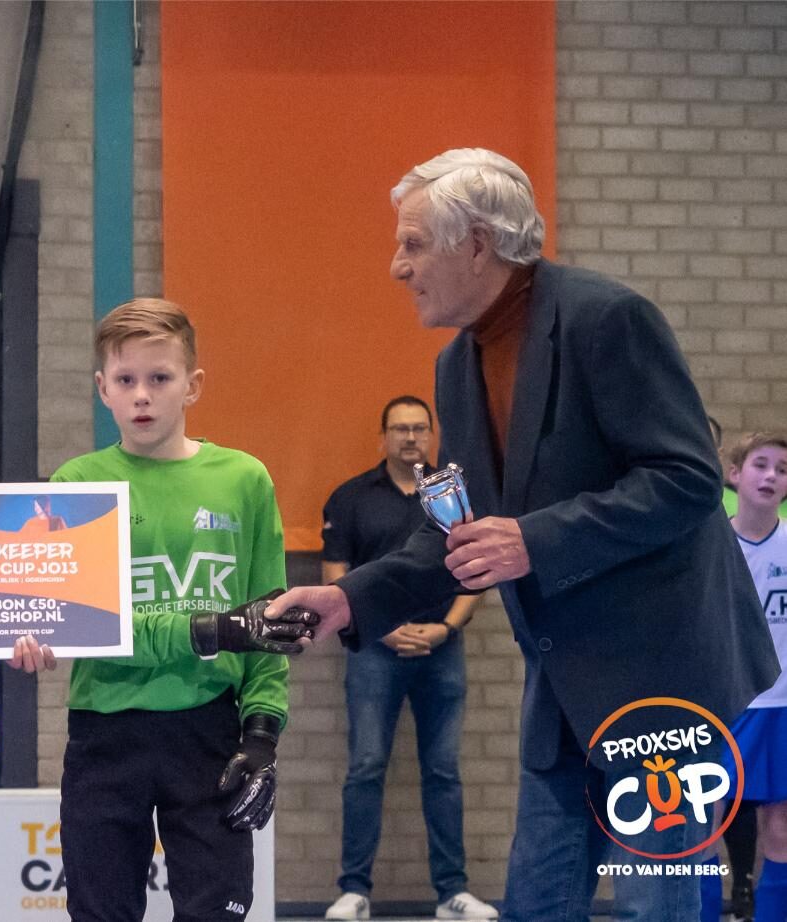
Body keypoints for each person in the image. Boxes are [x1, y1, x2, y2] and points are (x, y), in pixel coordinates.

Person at [267, 148, 779, 921]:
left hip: (657, 678)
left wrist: (532, 540)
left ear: (476, 243)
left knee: (654, 907)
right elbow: (459, 533)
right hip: (562, 680)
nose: (396, 267)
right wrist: (348, 600)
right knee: (537, 904)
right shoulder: (454, 366)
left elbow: (684, 481)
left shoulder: (606, 319)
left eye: (412, 244)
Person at [43, 298, 296, 922]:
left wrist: (262, 735)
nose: (142, 395)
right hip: (106, 728)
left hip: (210, 729)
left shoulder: (244, 479)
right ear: (102, 388)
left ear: (193, 385)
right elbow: (92, 623)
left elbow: (270, 624)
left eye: (160, 377)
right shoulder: (76, 484)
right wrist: (211, 629)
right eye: (125, 379)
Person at [322, 395, 494, 922]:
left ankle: (452, 894)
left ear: (432, 435)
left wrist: (445, 628)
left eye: (420, 428)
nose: (411, 437)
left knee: (443, 771)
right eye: (400, 429)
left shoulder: (454, 496)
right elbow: (335, 578)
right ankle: (354, 892)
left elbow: (476, 570)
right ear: (383, 437)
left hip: (442, 652)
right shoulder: (350, 498)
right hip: (374, 652)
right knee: (366, 767)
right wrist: (384, 627)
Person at [700, 433, 787, 922]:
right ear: (735, 474)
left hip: (781, 707)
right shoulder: (709, 546)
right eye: (761, 464)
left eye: (782, 469)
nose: (771, 475)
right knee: (704, 827)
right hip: (722, 706)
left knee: (781, 830)